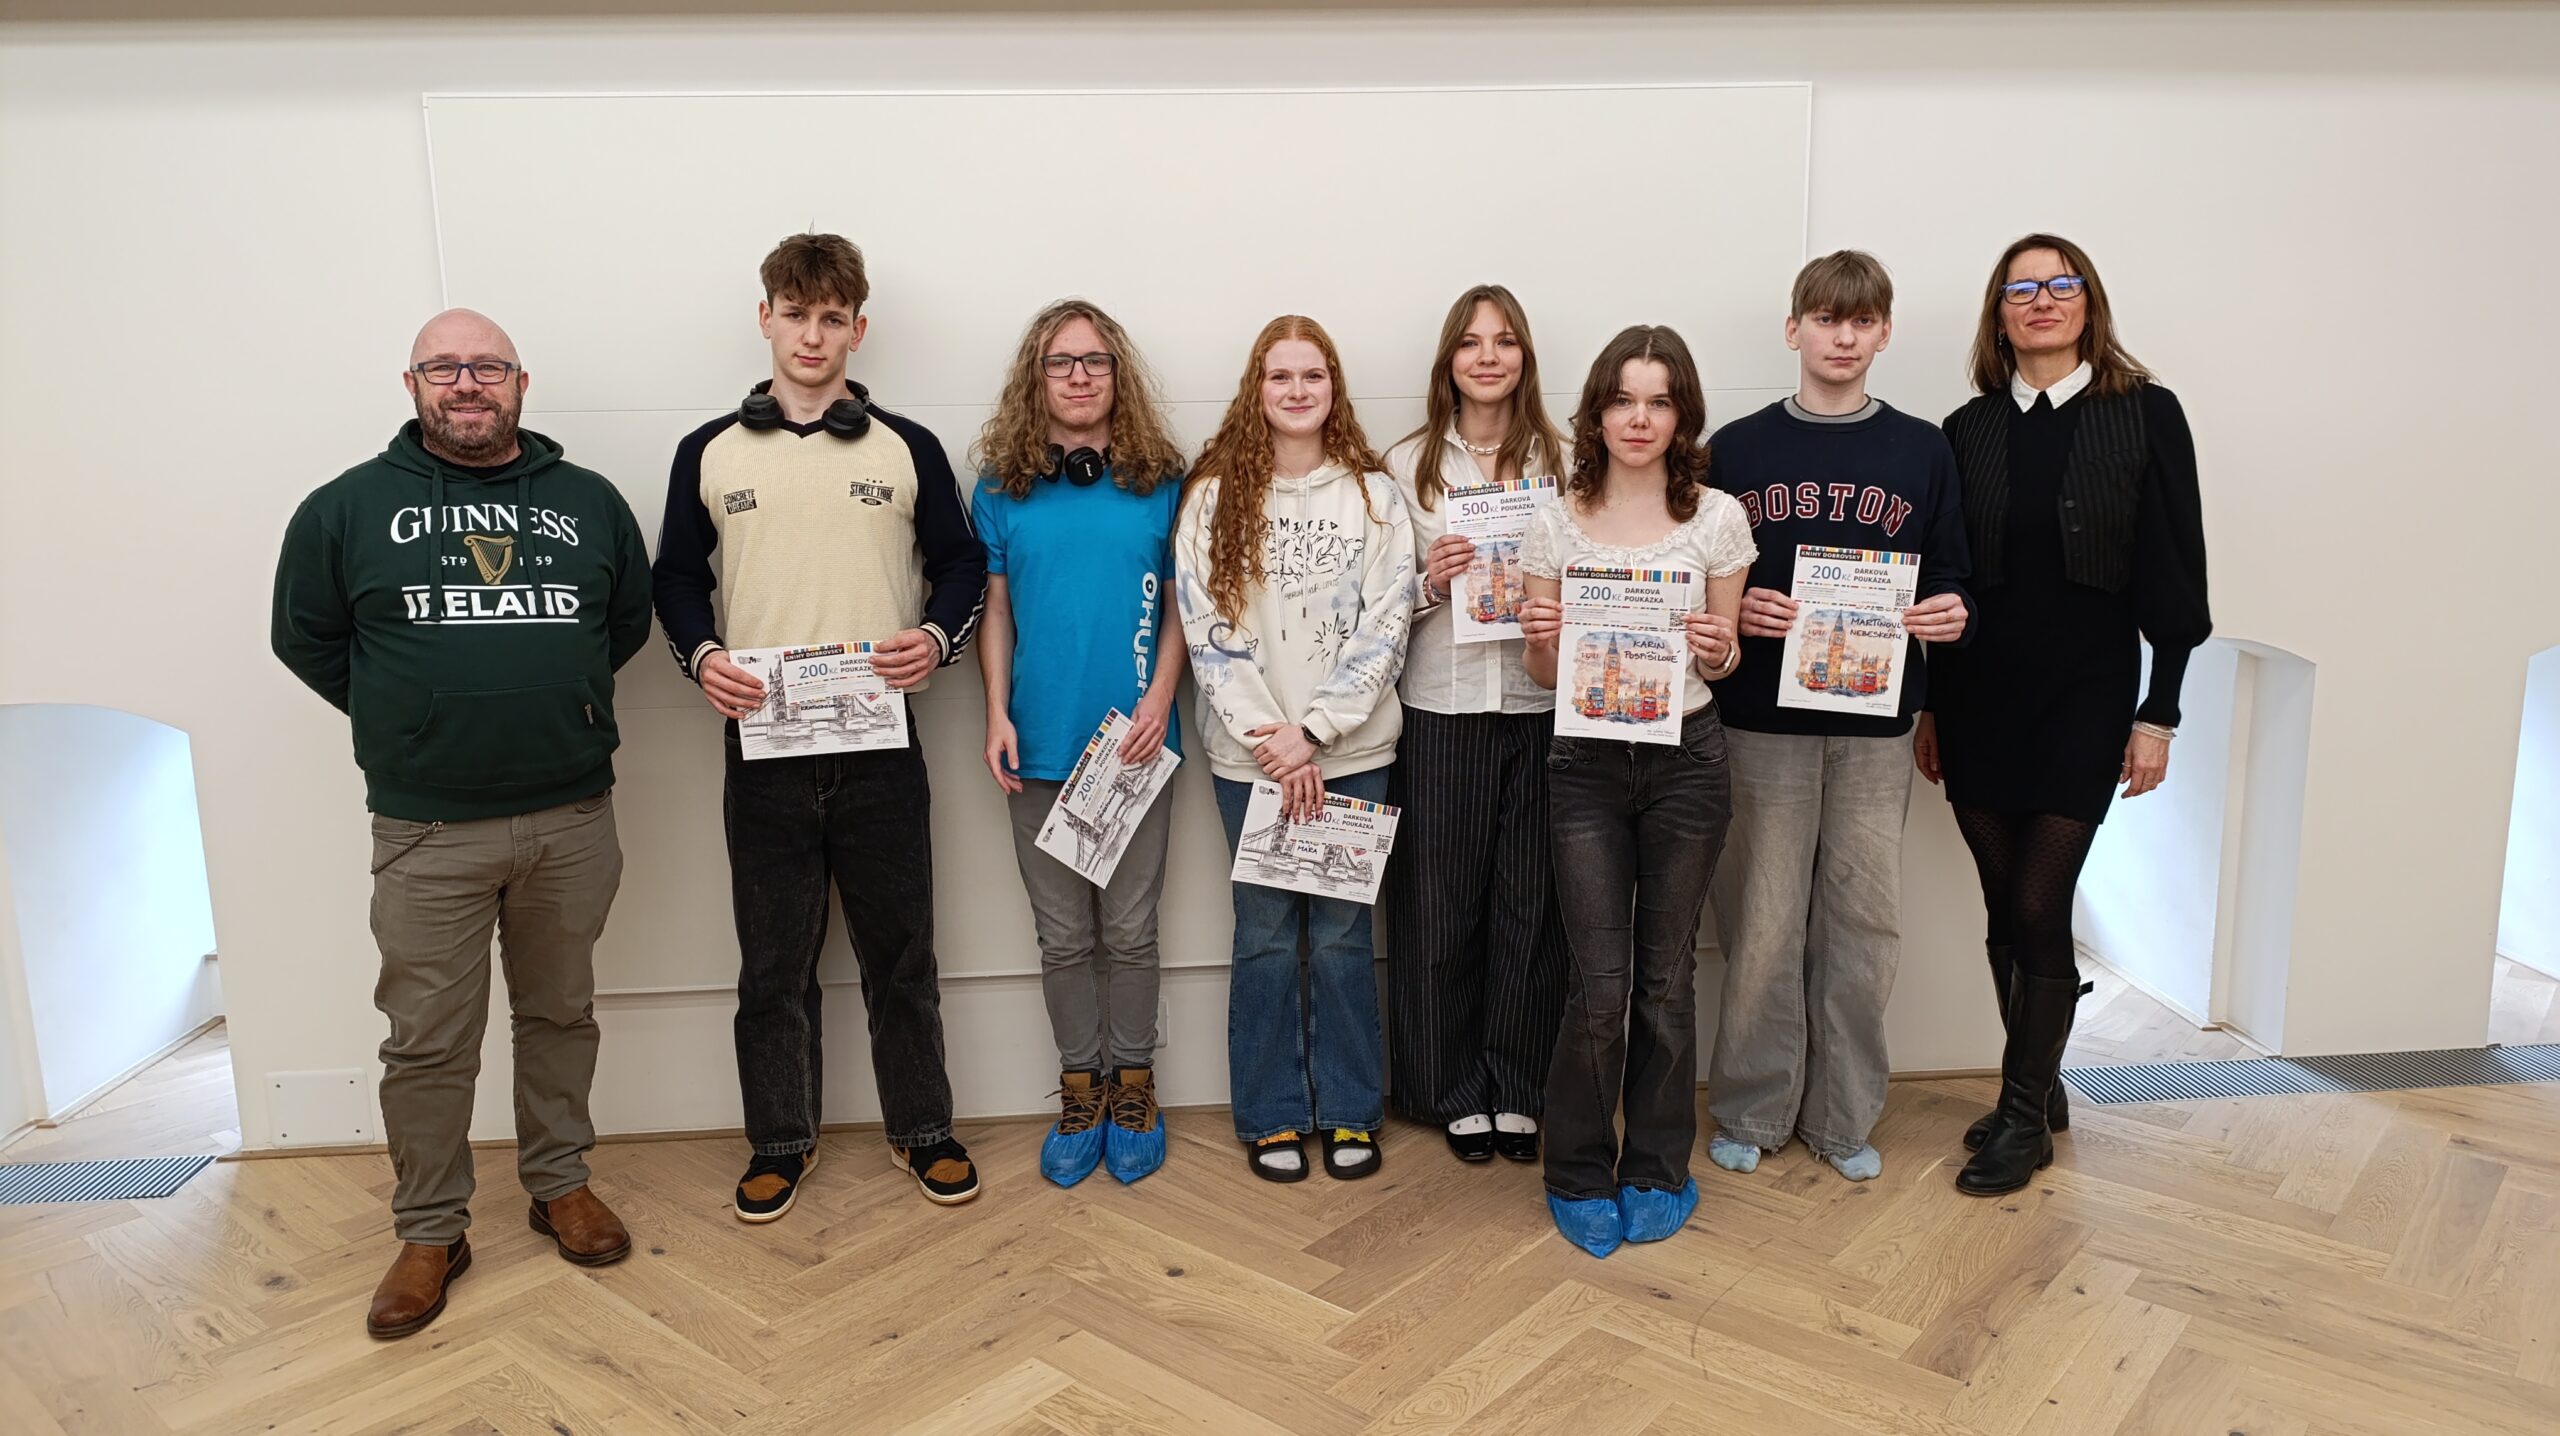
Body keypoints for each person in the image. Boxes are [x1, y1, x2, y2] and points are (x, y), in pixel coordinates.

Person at [272, 309, 653, 1339]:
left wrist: (558, 703)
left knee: (560, 1014)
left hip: (572, 815)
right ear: (412, 385)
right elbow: (304, 638)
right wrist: (409, 718)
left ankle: (559, 1183)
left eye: (487, 365)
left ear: (521, 382)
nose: (467, 383)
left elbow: (623, 624)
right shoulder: (344, 509)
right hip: (427, 829)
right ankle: (431, 1229)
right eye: (444, 368)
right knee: (428, 1042)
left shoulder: (589, 502)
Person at [652, 233, 989, 1221]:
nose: (812, 334)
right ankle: (779, 1140)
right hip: (761, 747)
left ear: (858, 329)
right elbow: (675, 577)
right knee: (772, 964)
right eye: (795, 314)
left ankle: (922, 1126)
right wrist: (701, 655)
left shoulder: (907, 447)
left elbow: (962, 565)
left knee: (903, 956)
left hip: (881, 744)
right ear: (765, 318)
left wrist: (935, 638)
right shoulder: (707, 451)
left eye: (831, 317)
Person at [1919, 233, 2210, 1197]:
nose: (2042, 300)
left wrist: (2159, 711)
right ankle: (2034, 1094)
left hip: (2086, 693)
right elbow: (1944, 576)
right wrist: (1929, 704)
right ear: (1998, 316)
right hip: (1977, 694)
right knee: (2004, 901)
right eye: (2022, 290)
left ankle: (2022, 1115)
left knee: (2043, 902)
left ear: (2089, 303)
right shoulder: (1965, 430)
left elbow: (2176, 567)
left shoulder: (2147, 413)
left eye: (2061, 284)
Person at [1702, 252, 1973, 1184]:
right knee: (1762, 922)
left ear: (1885, 333)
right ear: (1794, 329)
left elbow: (1952, 574)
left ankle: (1843, 1115)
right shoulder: (1736, 449)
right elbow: (1696, 571)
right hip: (1759, 719)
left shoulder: (1923, 448)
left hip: (1876, 723)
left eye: (1861, 321)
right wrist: (1737, 608)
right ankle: (1753, 1107)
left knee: (1864, 924)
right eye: (1826, 319)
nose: (1843, 337)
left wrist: (1953, 611)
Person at [1519, 325, 1754, 1258]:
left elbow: (1725, 660)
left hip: (1686, 759)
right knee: (1600, 982)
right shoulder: (1555, 521)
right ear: (1598, 412)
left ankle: (1657, 1166)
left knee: (1665, 977)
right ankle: (1576, 1168)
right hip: (1583, 762)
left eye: (1659, 401)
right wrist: (1542, 637)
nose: (1640, 418)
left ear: (1682, 415)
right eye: (1623, 399)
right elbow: (1543, 676)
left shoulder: (1718, 519)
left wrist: (1719, 648)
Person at [1174, 315, 1414, 1184]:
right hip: (1252, 764)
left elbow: (1389, 623)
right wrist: (1275, 741)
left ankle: (1349, 1108)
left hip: (1353, 753)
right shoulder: (1212, 498)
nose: (1298, 390)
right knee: (1267, 936)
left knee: (1344, 938)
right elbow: (1204, 627)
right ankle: (1273, 1114)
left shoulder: (1376, 497)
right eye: (1281, 376)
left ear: (1333, 387)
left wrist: (1313, 733)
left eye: (1313, 375)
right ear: (1258, 389)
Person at [971, 299, 1190, 1188]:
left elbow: (1181, 609)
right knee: (1062, 938)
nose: (1079, 376)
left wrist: (1159, 699)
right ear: (1036, 377)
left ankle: (1134, 1087)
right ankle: (1079, 1091)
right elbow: (994, 612)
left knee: (1131, 934)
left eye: (1095, 360)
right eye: (1061, 361)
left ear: (1117, 374)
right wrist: (996, 712)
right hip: (1039, 747)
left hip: (1134, 748)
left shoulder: (1162, 483)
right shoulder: (1001, 490)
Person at [1381, 284, 1571, 1166]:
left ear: (1524, 356)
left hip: (1541, 706)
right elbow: (1372, 600)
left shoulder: (1568, 462)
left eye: (1503, 341)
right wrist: (1430, 580)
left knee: (1533, 905)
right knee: (1438, 907)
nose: (1487, 357)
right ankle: (1447, 1089)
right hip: (1442, 706)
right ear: (1448, 360)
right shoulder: (1404, 466)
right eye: (1470, 342)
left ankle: (1520, 1088)